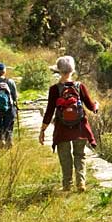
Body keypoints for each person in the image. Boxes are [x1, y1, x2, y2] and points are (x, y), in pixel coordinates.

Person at [40, 56, 99, 192]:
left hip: (62, 129)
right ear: (72, 70)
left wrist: (43, 130)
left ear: (59, 70)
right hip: (80, 128)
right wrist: (97, 105)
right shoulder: (80, 87)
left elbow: (49, 112)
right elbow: (91, 107)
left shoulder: (54, 89)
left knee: (65, 157)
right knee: (80, 155)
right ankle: (81, 183)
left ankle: (67, 185)